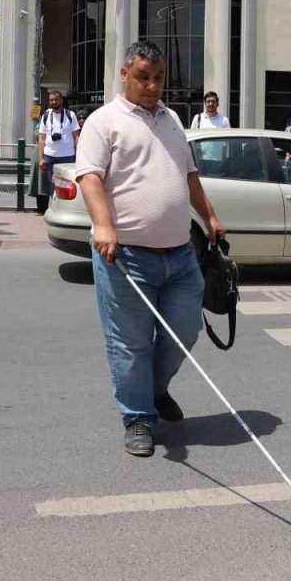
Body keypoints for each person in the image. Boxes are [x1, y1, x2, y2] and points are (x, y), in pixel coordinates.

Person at [76, 41, 225, 457]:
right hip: (125, 256)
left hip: (179, 254)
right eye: (143, 77)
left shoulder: (173, 119)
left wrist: (209, 216)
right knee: (130, 341)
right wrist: (103, 225)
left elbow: (189, 174)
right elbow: (89, 177)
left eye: (158, 77)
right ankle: (137, 417)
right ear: (124, 74)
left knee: (185, 330)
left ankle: (155, 390)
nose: (152, 85)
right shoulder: (103, 121)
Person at [37, 89, 80, 216]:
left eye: (56, 99)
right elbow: (41, 138)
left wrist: (80, 154)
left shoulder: (70, 115)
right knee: (52, 185)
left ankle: (67, 209)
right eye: (51, 100)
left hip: (67, 156)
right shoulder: (46, 115)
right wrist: (41, 158)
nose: (54, 102)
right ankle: (55, 209)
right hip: (50, 156)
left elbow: (77, 136)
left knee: (68, 184)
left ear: (61, 100)